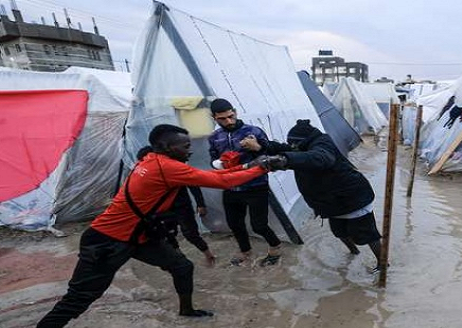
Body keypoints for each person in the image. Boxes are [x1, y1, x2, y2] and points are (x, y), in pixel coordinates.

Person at [0, 125, 270, 328]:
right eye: (184, 145)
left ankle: (187, 310)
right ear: (166, 148)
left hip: (137, 237)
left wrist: (253, 165)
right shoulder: (166, 167)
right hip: (107, 241)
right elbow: (220, 181)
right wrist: (262, 168)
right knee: (73, 304)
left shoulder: (153, 160)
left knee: (182, 267)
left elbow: (214, 175)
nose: (189, 149)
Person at [240, 120, 382, 272]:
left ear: (303, 142)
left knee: (368, 235)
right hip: (331, 203)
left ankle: (382, 263)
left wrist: (285, 160)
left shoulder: (323, 145)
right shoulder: (303, 145)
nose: (293, 148)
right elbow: (285, 148)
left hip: (352, 199)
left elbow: (319, 158)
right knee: (339, 232)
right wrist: (261, 147)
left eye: (294, 145)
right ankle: (354, 252)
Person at [208, 98, 282, 267]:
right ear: (214, 118)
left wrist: (257, 148)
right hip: (230, 186)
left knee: (259, 225)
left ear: (235, 112)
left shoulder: (253, 131)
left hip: (255, 185)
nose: (228, 121)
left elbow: (272, 155)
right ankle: (245, 251)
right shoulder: (215, 137)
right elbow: (213, 157)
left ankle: (275, 247)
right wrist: (218, 164)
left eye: (231, 116)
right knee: (234, 223)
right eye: (222, 119)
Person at [136, 146, 215, 266]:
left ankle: (208, 255)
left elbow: (193, 184)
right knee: (168, 236)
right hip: (163, 210)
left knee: (191, 234)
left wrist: (200, 204)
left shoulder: (173, 167)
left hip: (182, 207)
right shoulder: (145, 174)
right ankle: (180, 259)